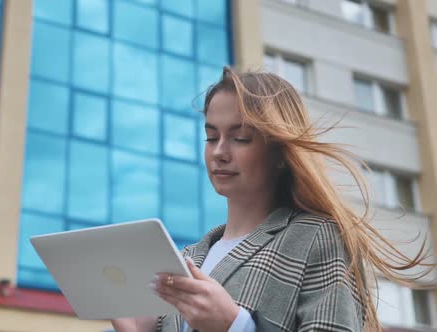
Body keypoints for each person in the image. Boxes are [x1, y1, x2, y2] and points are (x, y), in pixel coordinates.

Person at [111, 67, 429, 332]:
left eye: (240, 138)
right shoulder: (186, 259)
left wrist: (235, 326)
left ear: (278, 151)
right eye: (211, 137)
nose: (219, 152)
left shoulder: (316, 237)